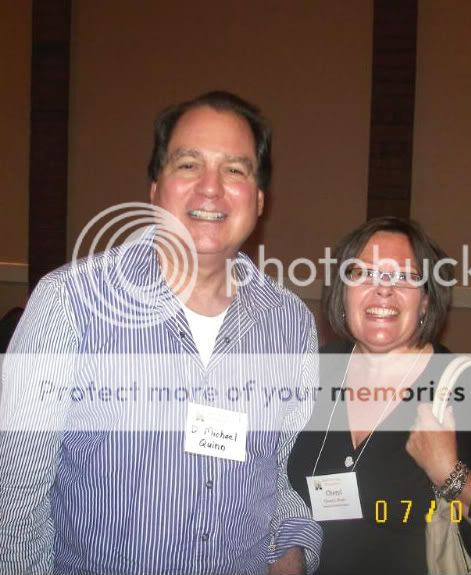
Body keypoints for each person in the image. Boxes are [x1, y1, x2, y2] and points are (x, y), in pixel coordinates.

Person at [0, 91, 321, 574]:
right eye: (188, 164)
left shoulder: (290, 324)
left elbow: (283, 476)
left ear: (259, 200)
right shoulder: (72, 303)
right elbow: (14, 498)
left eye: (235, 170)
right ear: (155, 190)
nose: (210, 188)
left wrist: (291, 552)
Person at [288, 216, 471, 575]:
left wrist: (451, 475)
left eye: (404, 277)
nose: (383, 289)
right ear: (342, 292)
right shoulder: (310, 371)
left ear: (426, 301)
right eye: (364, 273)